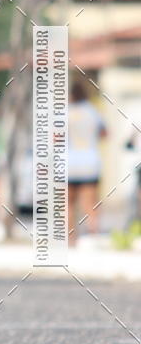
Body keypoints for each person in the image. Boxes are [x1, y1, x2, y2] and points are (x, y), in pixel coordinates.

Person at [68, 80, 106, 245]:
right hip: (90, 162)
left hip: (68, 163)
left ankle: (71, 239)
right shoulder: (92, 112)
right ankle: (93, 236)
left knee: (68, 204)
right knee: (91, 204)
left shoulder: (64, 113)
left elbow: (54, 138)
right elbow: (105, 133)